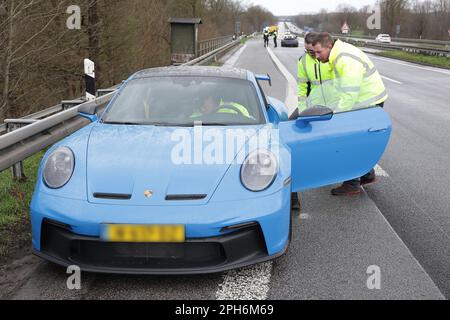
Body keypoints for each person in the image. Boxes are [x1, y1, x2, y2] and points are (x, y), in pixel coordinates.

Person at [310, 32, 388, 196]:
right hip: (365, 102)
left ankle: (352, 184)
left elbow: (349, 92)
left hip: (367, 103)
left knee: (349, 141)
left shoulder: (344, 58)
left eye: (319, 52)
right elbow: (339, 87)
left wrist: (338, 117)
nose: (316, 56)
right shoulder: (337, 54)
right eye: (314, 53)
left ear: (329, 46)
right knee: (360, 142)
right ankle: (367, 174)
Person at [297, 32, 334, 111]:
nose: (309, 53)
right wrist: (302, 108)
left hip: (334, 104)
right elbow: (301, 88)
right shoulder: (303, 61)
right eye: (306, 50)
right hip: (315, 106)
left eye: (311, 50)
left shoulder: (332, 57)